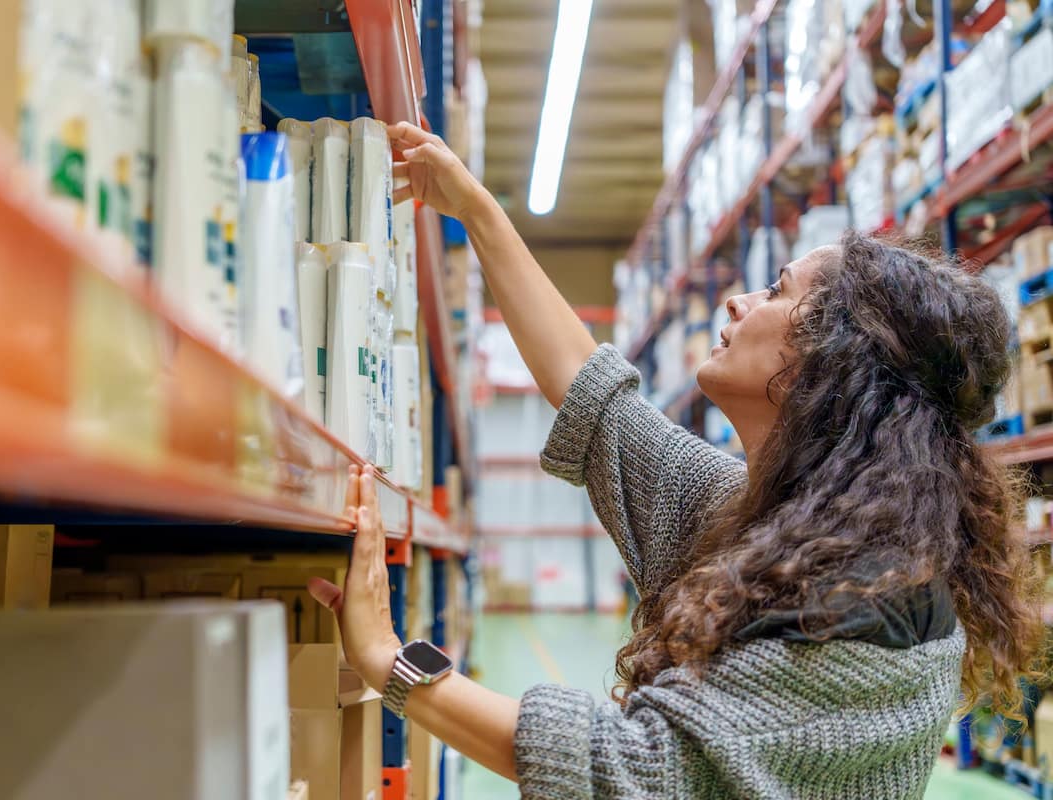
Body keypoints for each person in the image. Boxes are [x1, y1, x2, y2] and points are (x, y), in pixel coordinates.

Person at [306, 122, 1044, 799]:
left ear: (832, 358)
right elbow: (601, 408)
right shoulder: (767, 526)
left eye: (774, 291)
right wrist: (475, 209)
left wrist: (388, 659)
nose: (734, 301)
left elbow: (639, 770)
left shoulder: (868, 602)